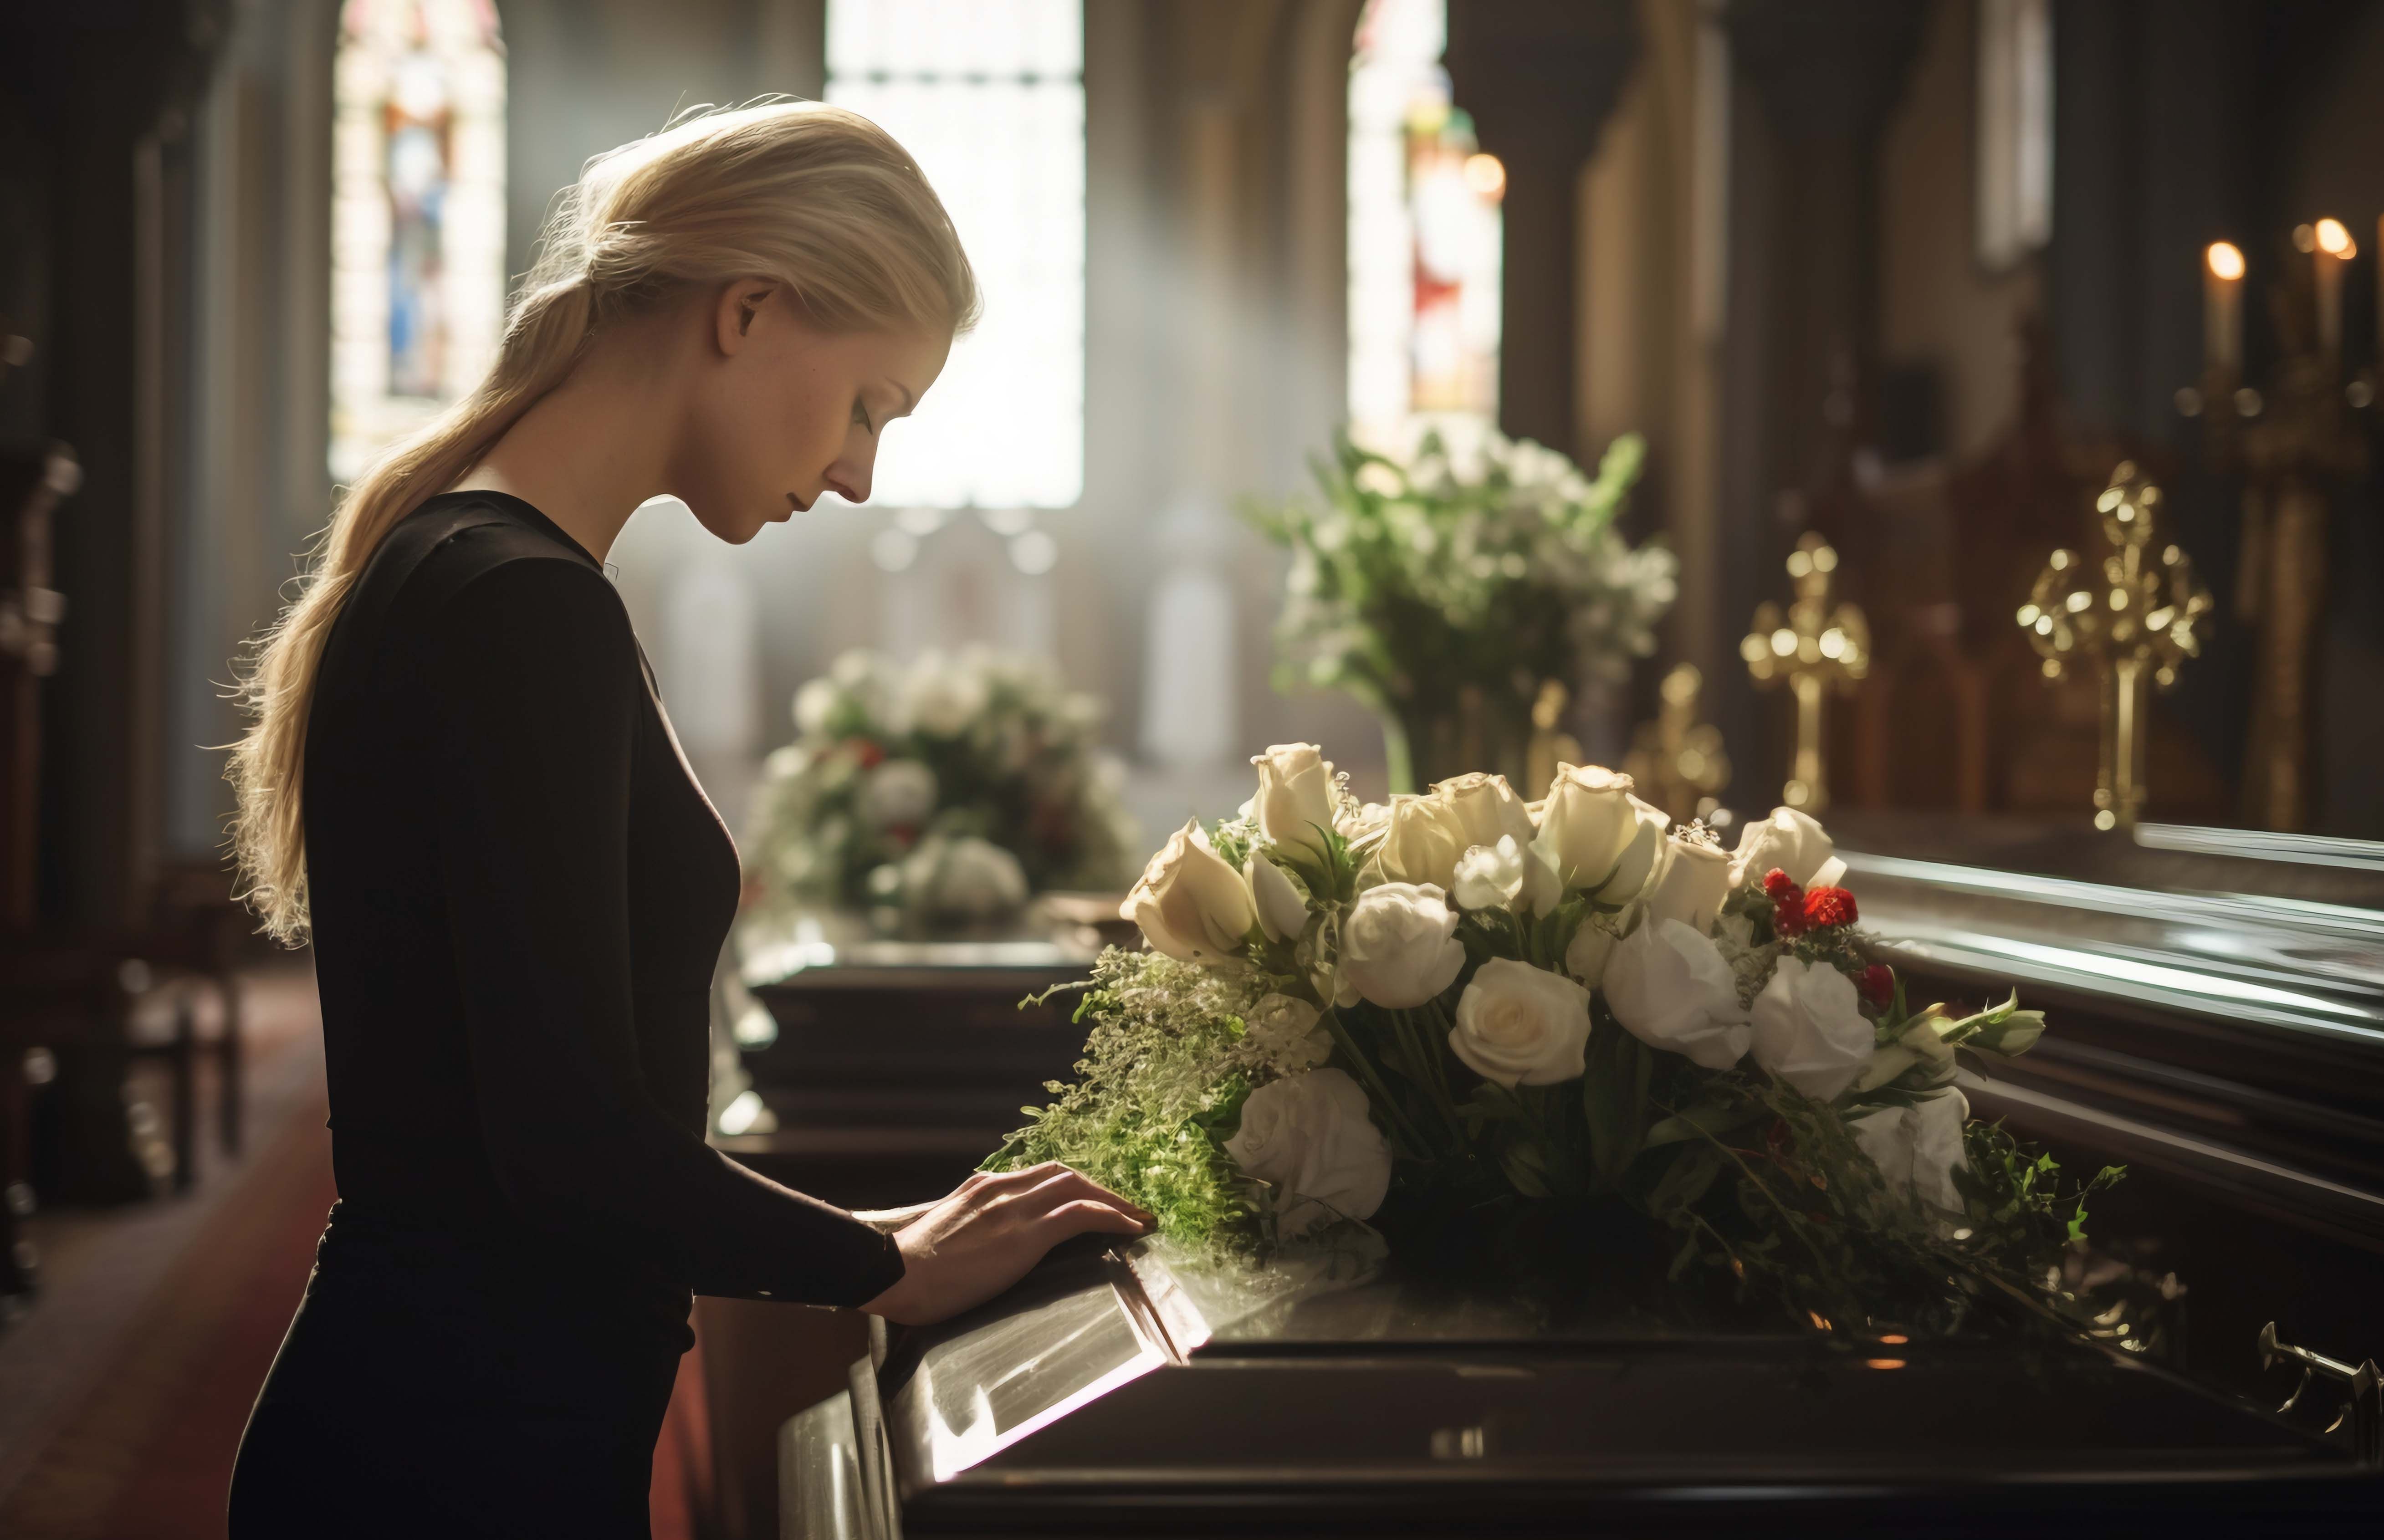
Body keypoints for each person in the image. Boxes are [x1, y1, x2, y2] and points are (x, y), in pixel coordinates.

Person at [221, 102, 1151, 1538]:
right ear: (751, 312)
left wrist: (885, 1232)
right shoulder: (519, 601)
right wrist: (879, 1266)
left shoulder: (486, 564)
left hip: (460, 1410)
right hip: (454, 1448)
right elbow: (569, 1141)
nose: (858, 474)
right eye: (867, 406)